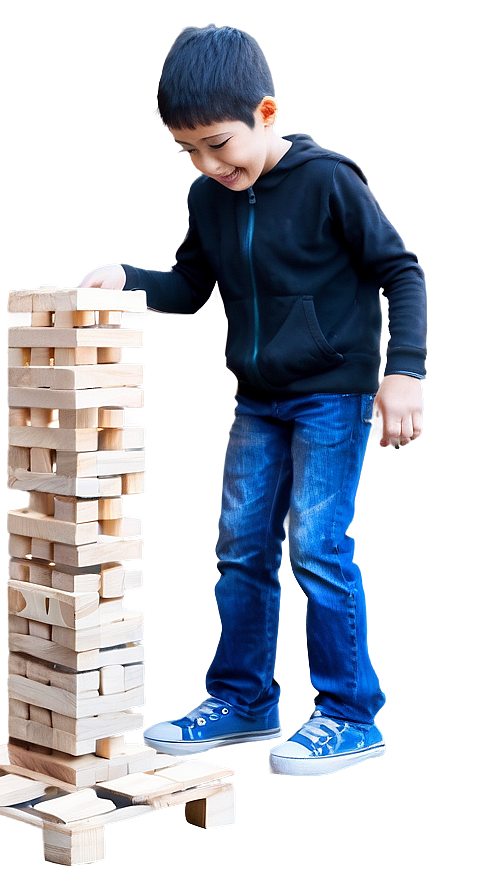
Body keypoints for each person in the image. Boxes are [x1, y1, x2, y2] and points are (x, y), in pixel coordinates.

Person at [80, 25, 426, 776]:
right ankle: (244, 700)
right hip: (257, 398)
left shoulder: (329, 180)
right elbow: (193, 288)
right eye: (188, 152)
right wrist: (124, 277)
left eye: (219, 144)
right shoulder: (208, 199)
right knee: (239, 546)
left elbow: (400, 271)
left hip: (331, 394)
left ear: (266, 113)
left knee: (318, 546)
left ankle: (350, 714)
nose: (208, 165)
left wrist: (404, 371)